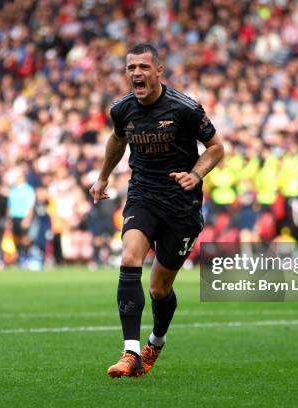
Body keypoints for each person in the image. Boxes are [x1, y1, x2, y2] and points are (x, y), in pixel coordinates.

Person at [89, 43, 224, 378]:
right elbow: (117, 141)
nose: (137, 73)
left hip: (181, 204)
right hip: (143, 195)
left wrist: (196, 174)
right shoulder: (121, 109)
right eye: (131, 67)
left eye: (144, 67)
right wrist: (103, 176)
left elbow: (216, 148)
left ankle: (156, 341)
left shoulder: (185, 108)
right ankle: (130, 352)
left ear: (158, 71)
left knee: (160, 288)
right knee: (130, 257)